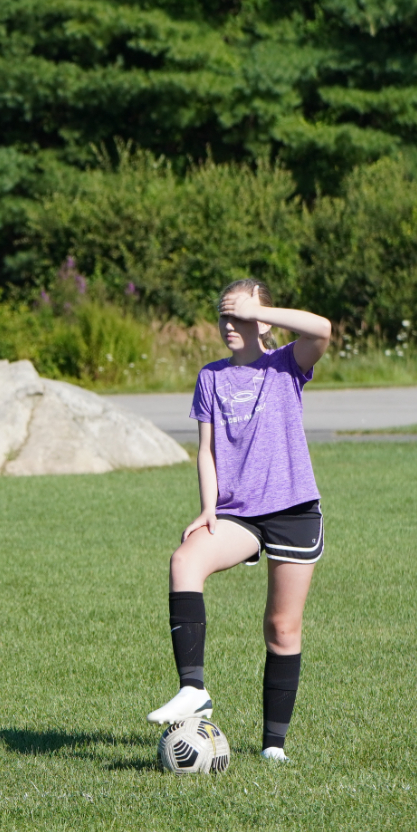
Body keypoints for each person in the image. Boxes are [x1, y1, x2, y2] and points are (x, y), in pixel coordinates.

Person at [147, 279, 332, 763]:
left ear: (264, 321)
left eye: (241, 316)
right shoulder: (210, 377)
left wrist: (262, 311)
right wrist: (208, 508)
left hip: (292, 510)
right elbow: (206, 452)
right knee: (184, 560)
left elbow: (323, 330)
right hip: (237, 514)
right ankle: (193, 689)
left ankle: (273, 746)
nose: (230, 325)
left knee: (281, 627)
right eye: (224, 317)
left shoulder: (287, 363)